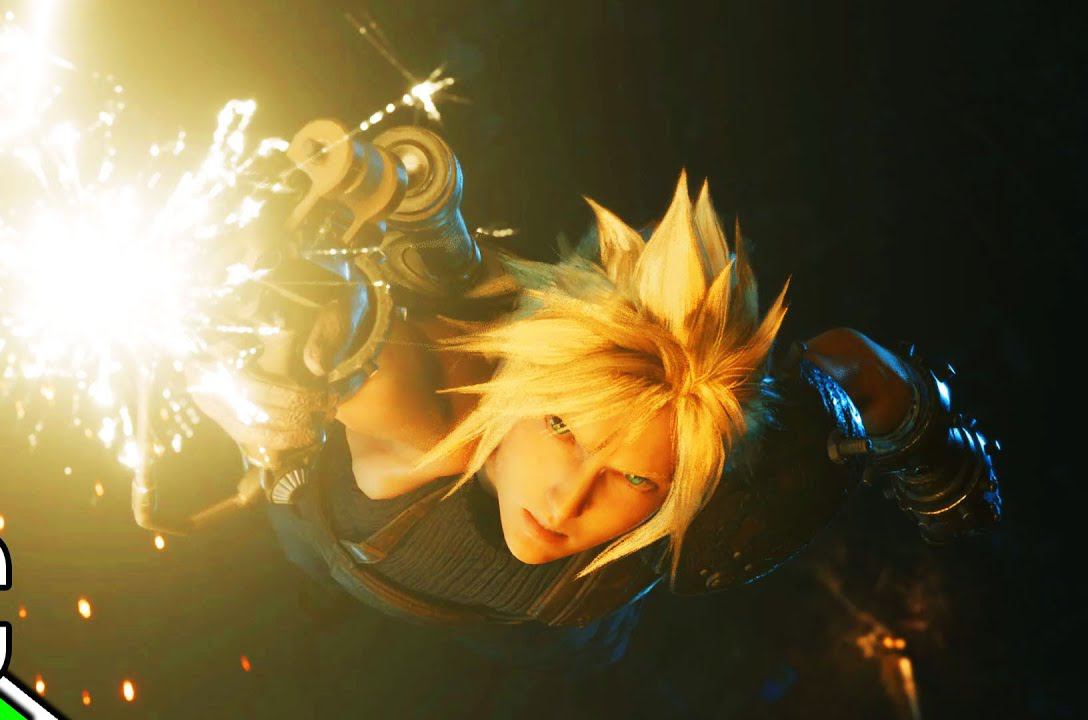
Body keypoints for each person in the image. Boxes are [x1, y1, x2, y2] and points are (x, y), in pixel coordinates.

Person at [188, 167, 1000, 668]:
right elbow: (359, 358)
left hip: (560, 641)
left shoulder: (733, 484)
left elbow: (855, 367)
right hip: (328, 542)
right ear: (520, 386)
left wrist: (937, 453)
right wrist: (273, 302)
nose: (568, 503)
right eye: (562, 429)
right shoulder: (423, 405)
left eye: (636, 479)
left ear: (683, 490)